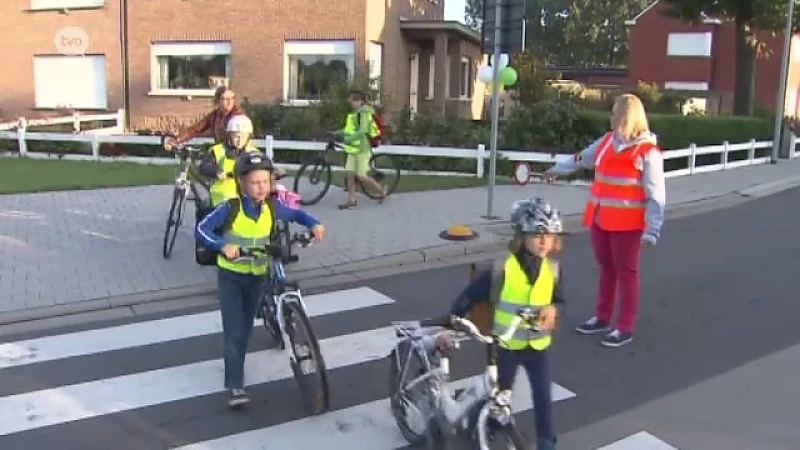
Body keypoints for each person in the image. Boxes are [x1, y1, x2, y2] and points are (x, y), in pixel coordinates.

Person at [426, 198, 565, 450]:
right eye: (537, 234)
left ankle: (547, 443)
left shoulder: (553, 270)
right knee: (500, 394)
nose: (544, 241)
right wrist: (453, 319)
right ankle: (490, 430)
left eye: (549, 235)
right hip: (506, 346)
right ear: (522, 236)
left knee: (543, 396)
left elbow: (559, 300)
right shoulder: (504, 270)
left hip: (538, 348)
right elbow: (471, 294)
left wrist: (553, 309)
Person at [195, 151, 325, 408]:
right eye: (254, 182)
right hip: (232, 277)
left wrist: (314, 223)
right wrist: (222, 245)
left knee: (249, 320)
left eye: (265, 181)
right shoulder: (230, 208)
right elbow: (202, 230)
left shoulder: (272, 207)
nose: (261, 187)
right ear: (242, 183)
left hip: (258, 276)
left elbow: (297, 214)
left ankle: (277, 322)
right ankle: (235, 384)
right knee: (237, 332)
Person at [544, 93, 666, 348]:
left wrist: (651, 231)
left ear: (626, 117)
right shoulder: (607, 142)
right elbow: (581, 159)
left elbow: (656, 196)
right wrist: (556, 169)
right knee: (606, 270)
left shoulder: (647, 152)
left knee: (627, 274)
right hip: (601, 220)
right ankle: (602, 316)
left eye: (614, 112)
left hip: (629, 226)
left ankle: (625, 326)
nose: (610, 116)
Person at [333, 89, 385, 209]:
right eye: (351, 101)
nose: (351, 103)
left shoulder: (365, 114)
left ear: (360, 101)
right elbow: (349, 129)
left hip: (362, 149)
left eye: (353, 101)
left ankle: (381, 192)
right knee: (350, 174)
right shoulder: (353, 115)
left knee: (362, 176)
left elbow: (362, 131)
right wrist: (337, 132)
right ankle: (352, 200)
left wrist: (349, 139)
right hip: (352, 150)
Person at [198, 114, 261, 207]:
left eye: (243, 137)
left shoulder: (254, 153)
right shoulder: (218, 150)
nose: (239, 140)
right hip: (222, 201)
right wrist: (216, 172)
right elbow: (203, 167)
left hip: (248, 199)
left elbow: (265, 168)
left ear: (248, 137)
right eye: (236, 136)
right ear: (229, 135)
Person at [163, 86, 243, 150]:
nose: (230, 102)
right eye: (226, 99)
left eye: (232, 98)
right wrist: (177, 140)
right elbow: (195, 129)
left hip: (236, 153)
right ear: (218, 100)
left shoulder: (238, 116)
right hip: (220, 152)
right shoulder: (214, 116)